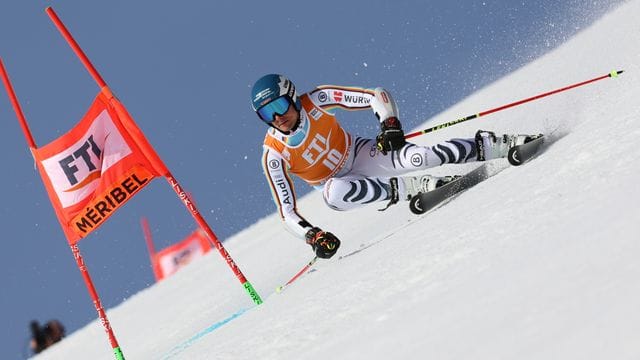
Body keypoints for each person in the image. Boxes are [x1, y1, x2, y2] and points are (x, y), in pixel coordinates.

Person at [252, 74, 537, 259]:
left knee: (418, 157)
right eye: (266, 113)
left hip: (362, 153)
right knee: (333, 195)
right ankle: (417, 187)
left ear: (291, 96)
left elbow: (375, 95)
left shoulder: (316, 99)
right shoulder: (273, 155)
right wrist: (313, 235)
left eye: (278, 105)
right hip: (340, 184)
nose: (277, 117)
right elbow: (287, 212)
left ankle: (500, 144)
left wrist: (389, 123)